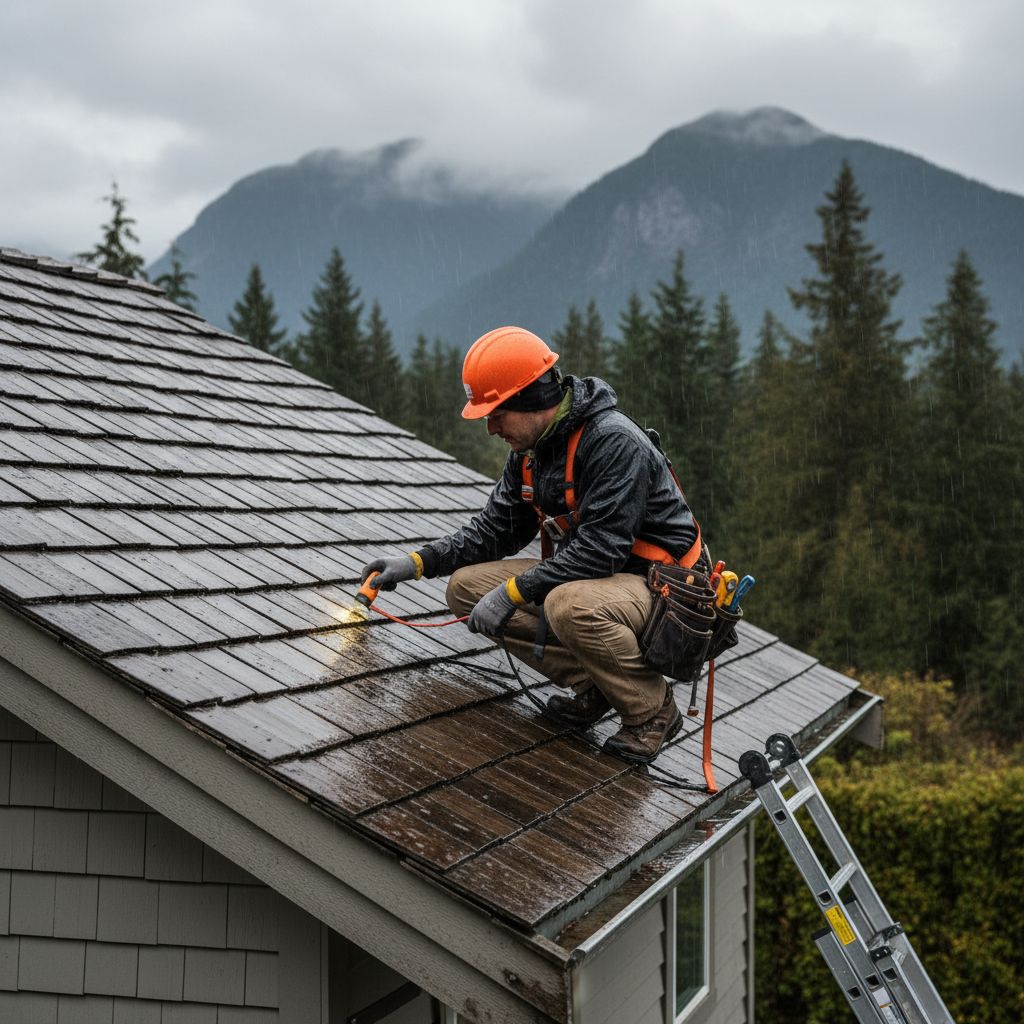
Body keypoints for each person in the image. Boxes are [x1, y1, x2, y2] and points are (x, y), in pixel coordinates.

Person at [360, 325, 706, 763]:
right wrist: (417, 562)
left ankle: (651, 710)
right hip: (605, 580)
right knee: (465, 589)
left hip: (665, 587)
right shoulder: (531, 453)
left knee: (568, 604)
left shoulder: (612, 441)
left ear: (529, 399)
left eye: (496, 413)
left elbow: (602, 551)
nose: (490, 428)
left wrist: (513, 593)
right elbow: (494, 530)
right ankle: (594, 686)